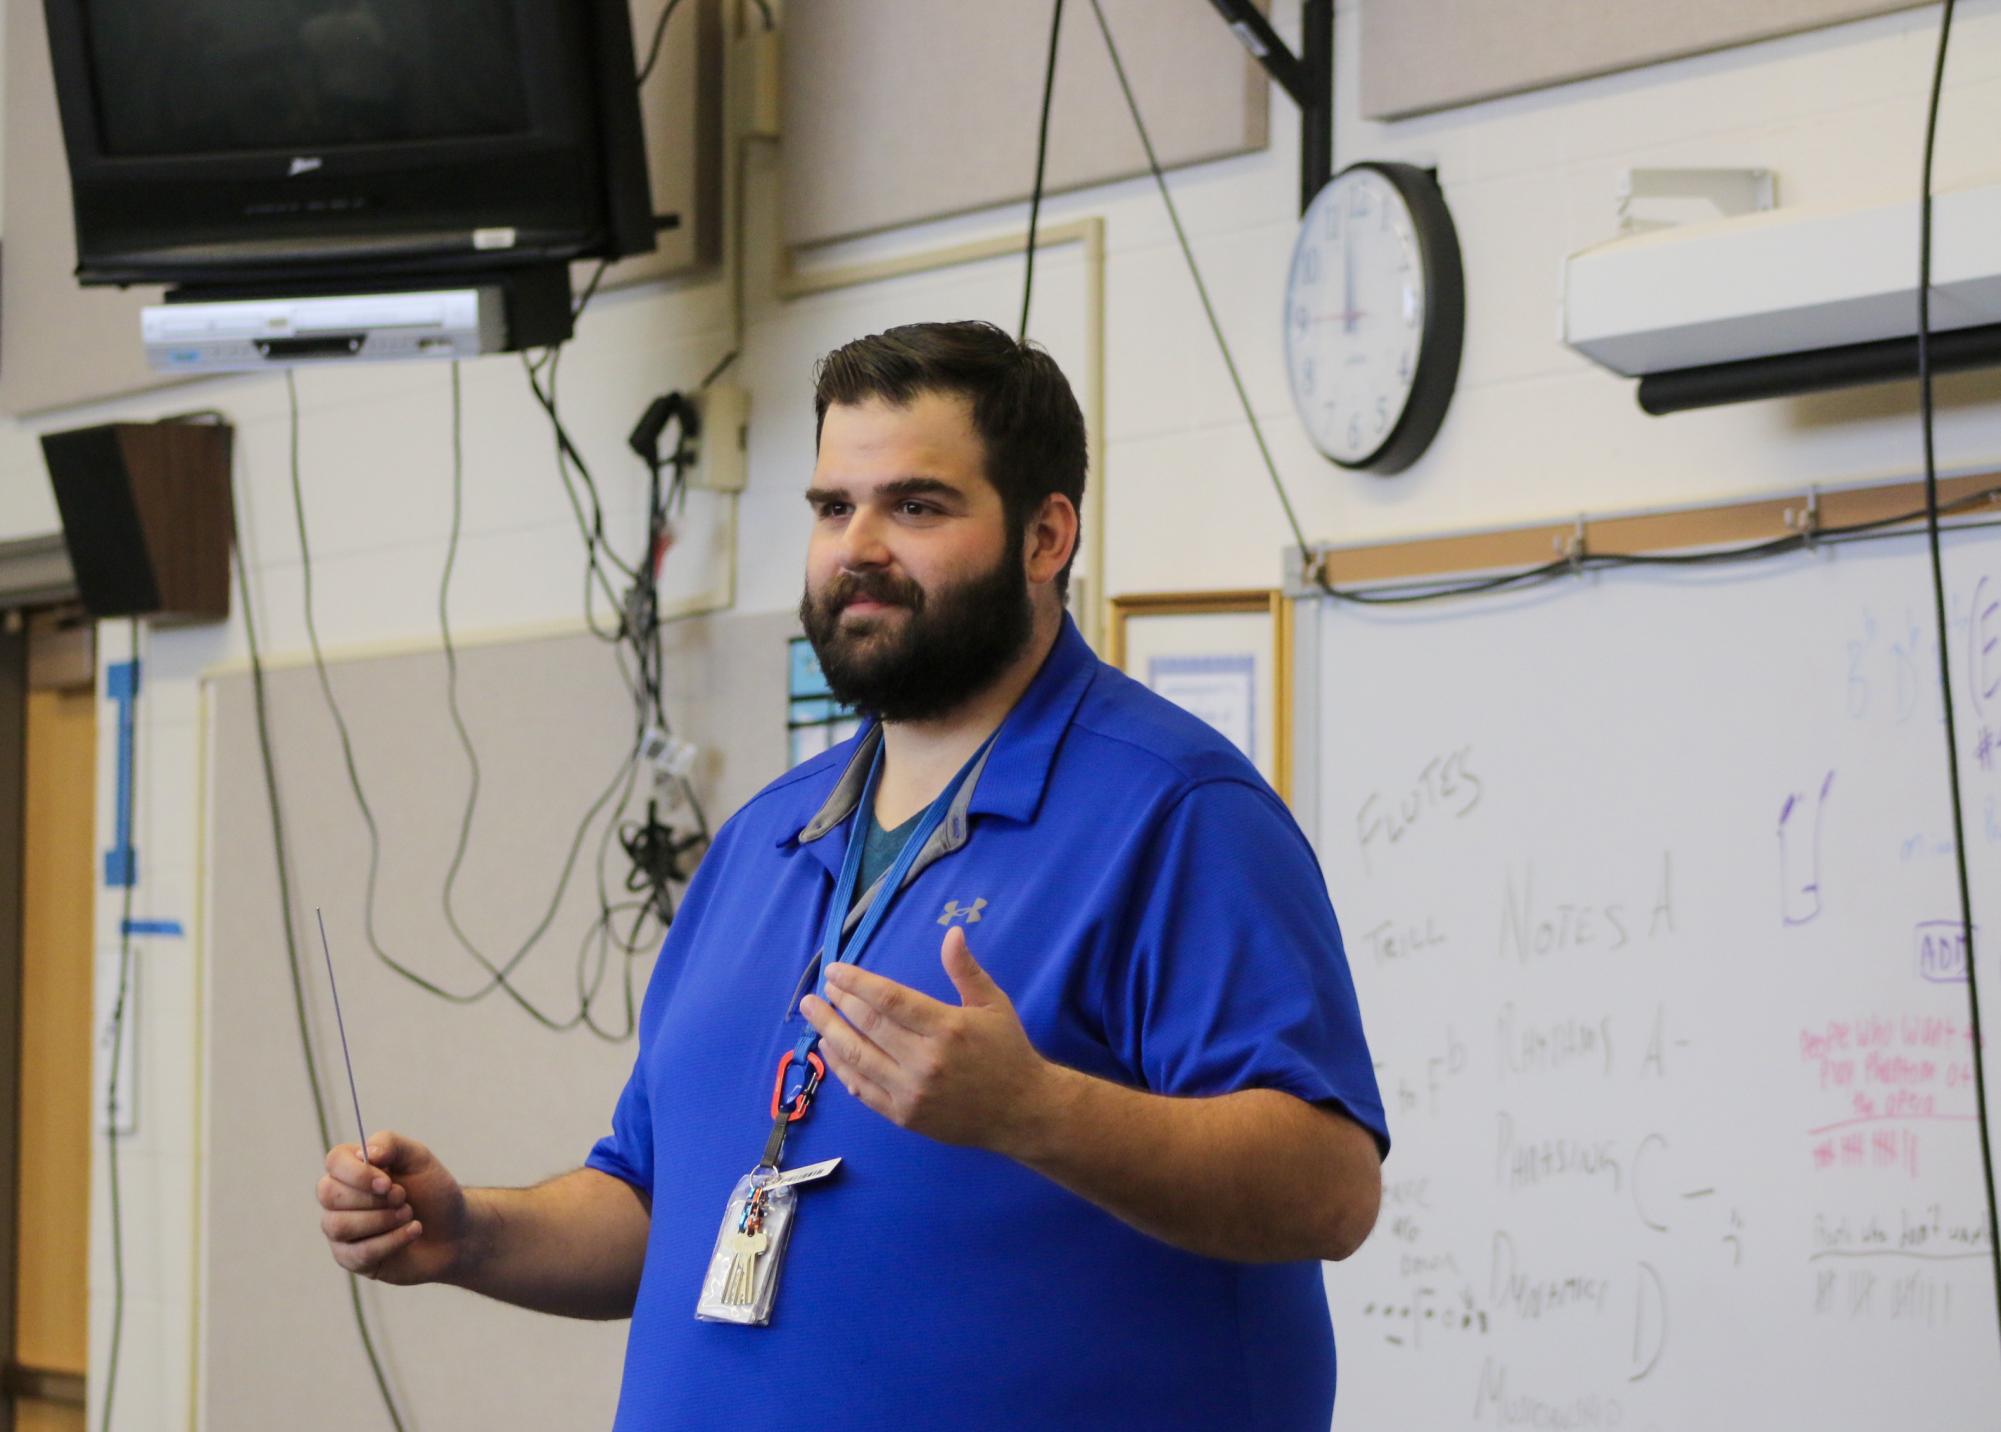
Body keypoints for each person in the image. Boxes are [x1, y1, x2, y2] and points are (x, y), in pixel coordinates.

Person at [317, 320, 1389, 1429]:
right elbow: (656, 1206)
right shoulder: (760, 843)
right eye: (834, 507)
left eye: (916, 506)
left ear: (1044, 535)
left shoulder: (1175, 814)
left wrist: (1036, 1112)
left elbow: (1331, 1185)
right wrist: (469, 1235)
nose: (858, 546)